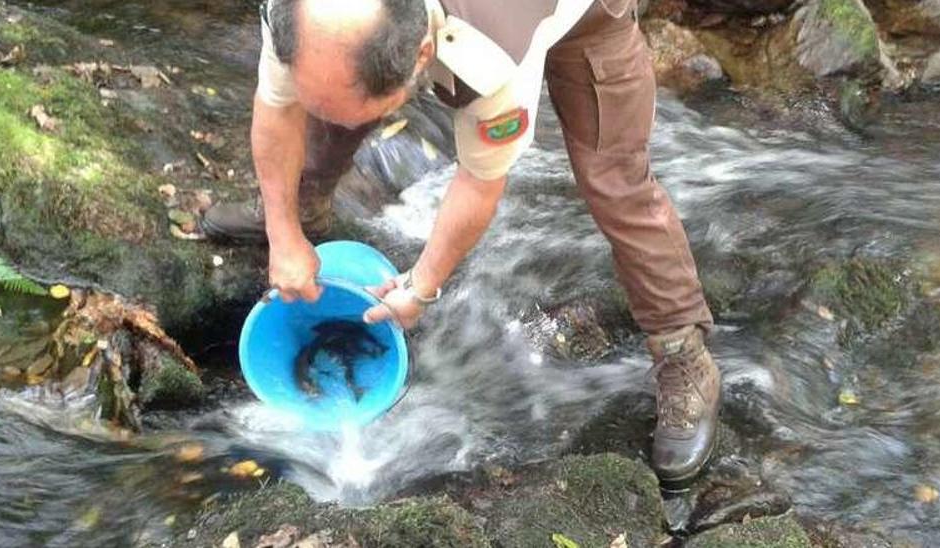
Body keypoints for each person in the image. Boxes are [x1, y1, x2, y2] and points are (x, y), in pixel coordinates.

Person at [199, 0, 720, 487]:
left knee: (616, 182)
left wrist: (422, 286)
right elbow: (278, 106)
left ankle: (685, 358)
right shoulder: (298, 12)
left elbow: (479, 179)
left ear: (424, 55)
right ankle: (307, 208)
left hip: (578, 15)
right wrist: (282, 231)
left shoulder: (491, 63)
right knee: (340, 102)